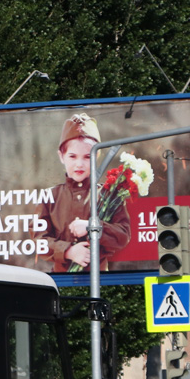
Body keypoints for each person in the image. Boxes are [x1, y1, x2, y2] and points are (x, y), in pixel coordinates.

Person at [35, 113, 131, 272]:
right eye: (72, 156)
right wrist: (68, 251)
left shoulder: (109, 195)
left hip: (100, 280)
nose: (79, 164)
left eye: (87, 157)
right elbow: (39, 240)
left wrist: (92, 227)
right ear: (61, 156)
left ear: (97, 156)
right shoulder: (49, 196)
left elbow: (123, 236)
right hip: (61, 281)